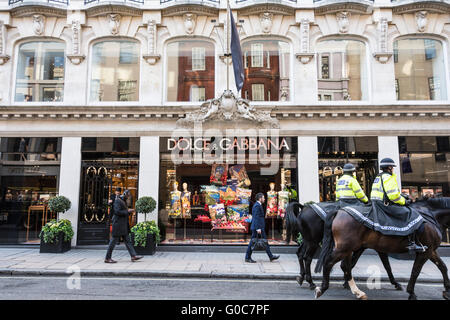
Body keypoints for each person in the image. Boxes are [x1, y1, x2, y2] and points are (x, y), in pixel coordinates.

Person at [370, 157, 426, 253]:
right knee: (411, 214)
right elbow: (392, 196)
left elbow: (389, 192)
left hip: (377, 203)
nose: (393, 169)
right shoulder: (388, 177)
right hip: (385, 205)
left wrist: (402, 196)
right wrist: (404, 202)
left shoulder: (379, 176)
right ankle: (411, 242)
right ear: (389, 167)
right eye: (392, 167)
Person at [105, 190, 143, 263]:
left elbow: (122, 212)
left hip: (123, 225)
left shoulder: (123, 202)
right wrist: (128, 211)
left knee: (128, 241)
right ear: (125, 194)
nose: (128, 198)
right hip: (118, 225)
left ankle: (133, 256)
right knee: (112, 242)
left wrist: (128, 211)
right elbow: (117, 211)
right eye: (128, 196)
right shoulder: (117, 201)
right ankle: (107, 258)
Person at [245, 193, 280, 263]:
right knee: (253, 242)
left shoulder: (258, 205)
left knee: (264, 241)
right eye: (263, 198)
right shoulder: (257, 206)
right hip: (257, 227)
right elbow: (256, 217)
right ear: (260, 198)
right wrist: (258, 228)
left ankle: (271, 256)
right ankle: (247, 257)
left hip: (259, 227)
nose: (264, 199)